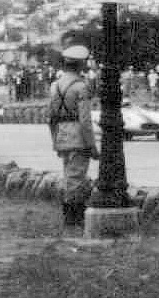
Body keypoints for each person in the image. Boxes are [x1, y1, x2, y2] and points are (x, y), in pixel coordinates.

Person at [48, 44, 101, 227]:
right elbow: (85, 120)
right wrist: (92, 145)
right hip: (78, 137)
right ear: (81, 65)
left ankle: (71, 217)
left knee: (69, 176)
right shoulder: (81, 86)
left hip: (62, 135)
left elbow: (52, 118)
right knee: (77, 178)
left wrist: (55, 140)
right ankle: (73, 218)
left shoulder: (54, 86)